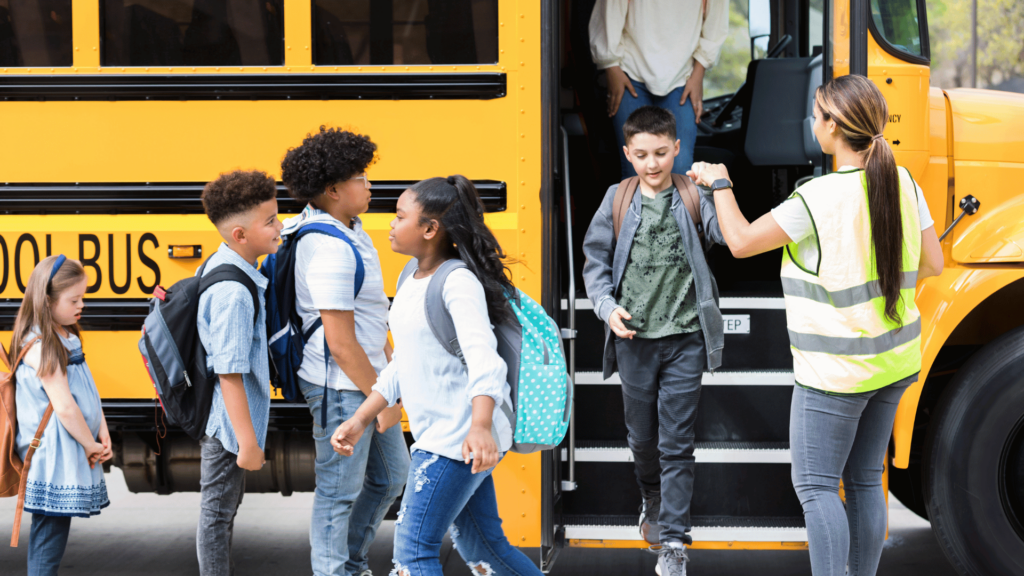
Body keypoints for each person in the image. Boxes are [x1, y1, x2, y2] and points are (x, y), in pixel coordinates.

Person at [688, 74, 944, 576]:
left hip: (835, 372)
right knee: (868, 479)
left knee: (818, 486)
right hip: (892, 362)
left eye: (816, 113)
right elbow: (932, 262)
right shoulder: (904, 182)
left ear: (831, 127)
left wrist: (719, 180)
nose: (811, 120)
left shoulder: (817, 198)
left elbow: (739, 241)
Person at [331, 176, 543, 576]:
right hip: (445, 437)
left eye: (400, 216)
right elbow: (403, 364)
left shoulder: (457, 282)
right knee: (485, 547)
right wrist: (361, 418)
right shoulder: (409, 278)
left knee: (413, 553)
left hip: (457, 439)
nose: (391, 224)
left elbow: (486, 361)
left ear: (430, 230)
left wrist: (480, 426)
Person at [581, 105, 728, 576]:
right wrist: (607, 308)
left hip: (685, 337)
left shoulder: (692, 194)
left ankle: (674, 542)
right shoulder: (617, 199)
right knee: (642, 438)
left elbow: (724, 235)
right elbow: (595, 262)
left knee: (677, 443)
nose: (652, 164)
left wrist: (718, 188)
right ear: (627, 153)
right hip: (636, 339)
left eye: (661, 153)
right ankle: (651, 495)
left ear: (677, 148)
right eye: (641, 154)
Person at [279, 127, 409, 576]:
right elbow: (340, 341)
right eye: (360, 177)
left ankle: (350, 563)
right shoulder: (330, 248)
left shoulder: (350, 231)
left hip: (367, 379)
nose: (369, 185)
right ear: (333, 190)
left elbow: (372, 316)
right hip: (342, 387)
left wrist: (389, 375)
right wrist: (383, 396)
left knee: (392, 475)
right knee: (338, 493)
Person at [195, 170, 282, 576]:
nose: (279, 226)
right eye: (270, 221)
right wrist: (247, 442)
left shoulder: (227, 260)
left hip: (227, 420)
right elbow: (229, 372)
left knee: (222, 512)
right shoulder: (233, 292)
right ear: (240, 235)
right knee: (216, 516)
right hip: (229, 426)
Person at [10, 255, 112, 576]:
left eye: (83, 297)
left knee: (54, 532)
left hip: (69, 449)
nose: (81, 305)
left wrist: (102, 431)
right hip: (53, 457)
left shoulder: (64, 335)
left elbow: (87, 389)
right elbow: (65, 406)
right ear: (47, 301)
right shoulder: (41, 345)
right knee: (49, 537)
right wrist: (90, 444)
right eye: (74, 299)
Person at [589, 0, 728, 179]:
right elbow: (610, 10)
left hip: (682, 77)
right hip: (630, 71)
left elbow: (715, 23)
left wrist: (698, 74)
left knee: (680, 168)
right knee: (635, 170)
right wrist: (611, 66)